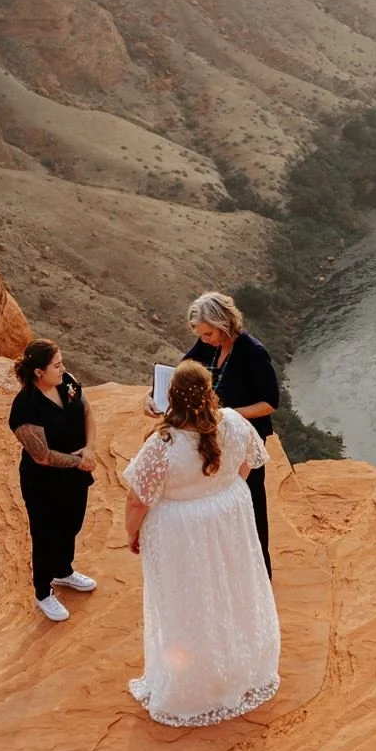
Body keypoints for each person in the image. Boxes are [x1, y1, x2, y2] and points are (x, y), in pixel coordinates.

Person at [123, 361, 280, 726]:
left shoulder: (163, 444)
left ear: (171, 398)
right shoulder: (235, 422)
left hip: (181, 530)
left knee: (187, 601)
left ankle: (192, 686)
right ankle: (238, 669)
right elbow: (248, 463)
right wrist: (222, 491)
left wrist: (132, 533)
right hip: (228, 518)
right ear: (210, 393)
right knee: (231, 591)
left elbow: (137, 499)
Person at [169, 291, 280, 577]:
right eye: (201, 334)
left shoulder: (252, 352)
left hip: (245, 440)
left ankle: (260, 572)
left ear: (223, 324)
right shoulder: (208, 346)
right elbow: (182, 373)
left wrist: (227, 415)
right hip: (213, 439)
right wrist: (155, 394)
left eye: (208, 333)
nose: (204, 339)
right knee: (219, 502)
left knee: (251, 501)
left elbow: (269, 403)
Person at [8, 339, 98, 622]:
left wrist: (91, 449)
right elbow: (42, 455)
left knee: (72, 522)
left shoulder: (66, 383)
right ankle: (43, 592)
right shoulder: (25, 407)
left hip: (76, 474)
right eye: (56, 365)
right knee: (45, 534)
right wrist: (79, 461)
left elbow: (87, 411)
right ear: (38, 372)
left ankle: (63, 571)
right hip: (43, 483)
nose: (63, 369)